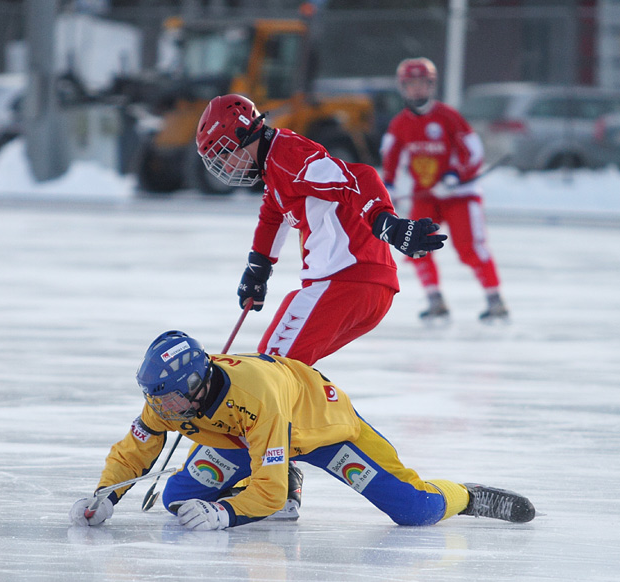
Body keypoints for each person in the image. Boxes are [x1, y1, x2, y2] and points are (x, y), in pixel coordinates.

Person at [69, 330, 535, 530]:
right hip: (240, 440)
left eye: (166, 398)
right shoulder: (168, 401)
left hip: (319, 432)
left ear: (195, 384)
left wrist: (228, 515)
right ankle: (285, 474)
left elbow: (265, 496)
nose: (159, 409)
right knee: (178, 500)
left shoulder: (257, 396)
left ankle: (465, 496)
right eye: (154, 397)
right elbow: (136, 448)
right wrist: (105, 494)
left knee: (414, 511)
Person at [194, 93, 448, 367]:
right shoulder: (276, 162)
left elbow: (360, 177)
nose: (224, 167)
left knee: (273, 366)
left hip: (344, 281)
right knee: (291, 369)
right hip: (364, 287)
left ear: (242, 135)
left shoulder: (288, 158)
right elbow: (273, 212)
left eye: (223, 155)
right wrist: (258, 268)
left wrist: (387, 224)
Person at [381, 57, 509, 322]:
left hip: (460, 196)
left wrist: (454, 176)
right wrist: (389, 187)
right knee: (414, 243)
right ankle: (434, 299)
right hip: (427, 196)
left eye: (422, 83)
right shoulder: (399, 124)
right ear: (402, 87)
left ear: (431, 85)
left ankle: (495, 300)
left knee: (469, 247)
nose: (416, 89)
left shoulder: (449, 117)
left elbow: (473, 152)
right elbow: (391, 158)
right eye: (410, 84)